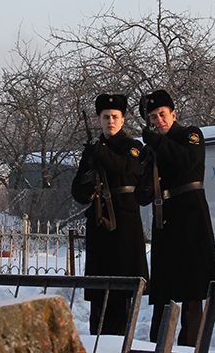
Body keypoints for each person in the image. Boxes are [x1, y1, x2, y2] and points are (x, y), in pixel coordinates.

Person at [138, 89, 215, 346]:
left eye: (162, 114)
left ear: (173, 114)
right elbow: (143, 192)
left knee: (193, 289)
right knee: (163, 289)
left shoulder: (190, 135)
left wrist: (156, 144)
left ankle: (189, 345)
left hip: (191, 217)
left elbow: (186, 162)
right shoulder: (153, 146)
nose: (158, 120)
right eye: (153, 117)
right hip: (165, 219)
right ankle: (158, 345)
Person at [70, 93, 148, 336]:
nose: (110, 121)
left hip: (124, 223)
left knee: (122, 293)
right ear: (99, 120)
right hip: (99, 223)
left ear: (123, 120)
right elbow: (79, 192)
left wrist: (99, 153)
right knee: (99, 292)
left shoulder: (133, 147)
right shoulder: (93, 151)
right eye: (106, 117)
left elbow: (127, 169)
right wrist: (88, 171)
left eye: (115, 117)